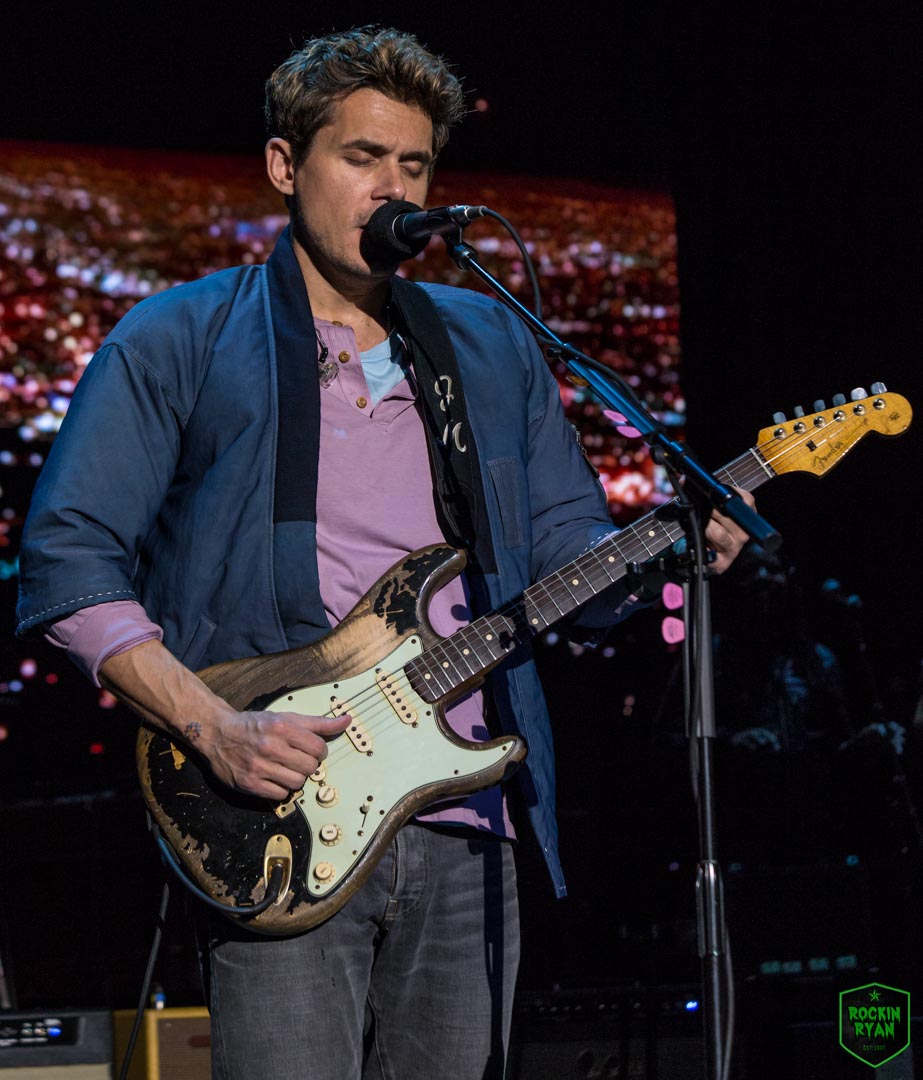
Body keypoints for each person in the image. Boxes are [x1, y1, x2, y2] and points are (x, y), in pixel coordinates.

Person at [16, 27, 751, 1079]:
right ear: (285, 165)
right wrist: (213, 727)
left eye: (413, 164)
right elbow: (67, 558)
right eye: (361, 157)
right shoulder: (180, 335)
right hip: (277, 812)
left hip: (472, 816)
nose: (391, 187)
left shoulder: (488, 341)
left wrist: (660, 555)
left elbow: (565, 555)